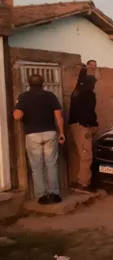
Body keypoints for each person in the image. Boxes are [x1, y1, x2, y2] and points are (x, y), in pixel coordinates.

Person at [13, 74, 65, 205]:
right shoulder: (51, 96)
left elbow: (17, 116)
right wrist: (62, 133)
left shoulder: (23, 96)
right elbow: (59, 117)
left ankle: (42, 196)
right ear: (43, 83)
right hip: (50, 133)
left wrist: (17, 105)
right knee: (51, 164)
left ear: (29, 83)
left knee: (37, 166)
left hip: (32, 135)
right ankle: (54, 194)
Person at [69, 75, 98, 192]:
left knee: (80, 154)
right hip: (83, 126)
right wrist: (92, 125)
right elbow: (89, 111)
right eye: (93, 83)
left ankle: (79, 180)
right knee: (86, 155)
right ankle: (83, 183)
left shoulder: (76, 93)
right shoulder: (88, 94)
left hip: (75, 124)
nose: (94, 85)